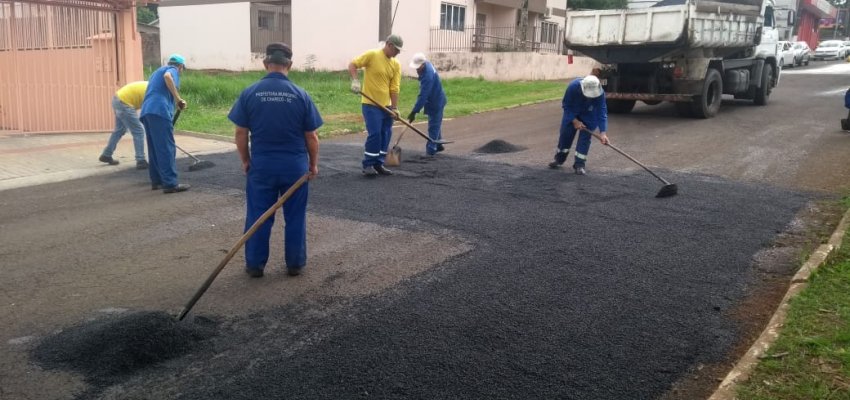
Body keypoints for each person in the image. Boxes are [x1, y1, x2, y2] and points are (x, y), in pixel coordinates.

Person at [228, 43, 322, 278]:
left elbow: (240, 133)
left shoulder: (250, 93)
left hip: (262, 166)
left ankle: (255, 265)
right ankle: (295, 264)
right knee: (295, 217)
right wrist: (312, 164)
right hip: (294, 167)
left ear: (265, 63)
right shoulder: (301, 95)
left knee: (259, 216)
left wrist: (246, 160)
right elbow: (311, 136)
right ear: (289, 64)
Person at [348, 34, 403, 176]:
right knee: (375, 134)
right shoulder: (372, 55)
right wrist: (355, 80)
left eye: (399, 51)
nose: (397, 53)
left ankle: (379, 163)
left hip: (386, 106)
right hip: (371, 104)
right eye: (396, 50)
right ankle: (368, 164)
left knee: (386, 133)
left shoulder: (396, 64)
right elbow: (353, 64)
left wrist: (395, 107)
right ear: (389, 44)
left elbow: (394, 87)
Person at [140, 54, 189, 193]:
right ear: (180, 67)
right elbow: (168, 77)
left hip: (147, 111)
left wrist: (175, 104)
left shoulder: (156, 72)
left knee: (155, 148)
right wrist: (178, 99)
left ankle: (157, 181)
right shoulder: (171, 69)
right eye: (182, 69)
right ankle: (170, 184)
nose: (181, 71)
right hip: (159, 111)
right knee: (166, 148)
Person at [547, 74, 610, 175]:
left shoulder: (599, 92)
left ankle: (579, 165)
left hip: (589, 115)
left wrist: (603, 133)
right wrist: (575, 121)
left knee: (584, 141)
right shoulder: (573, 87)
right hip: (572, 113)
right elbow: (566, 105)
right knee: (565, 137)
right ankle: (559, 159)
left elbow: (602, 111)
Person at [99, 81, 149, 169]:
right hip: (124, 103)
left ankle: (106, 155)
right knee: (139, 131)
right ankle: (140, 160)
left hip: (117, 99)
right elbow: (148, 111)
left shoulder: (151, 85)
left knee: (119, 130)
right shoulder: (154, 91)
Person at [407, 52, 447, 156]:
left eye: (418, 67)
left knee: (433, 125)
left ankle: (431, 150)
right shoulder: (427, 65)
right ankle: (438, 144)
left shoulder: (427, 76)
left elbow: (423, 96)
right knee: (435, 122)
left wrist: (414, 112)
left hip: (436, 101)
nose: (416, 69)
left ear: (423, 64)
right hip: (435, 99)